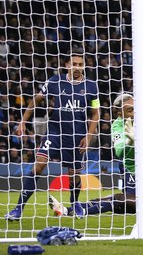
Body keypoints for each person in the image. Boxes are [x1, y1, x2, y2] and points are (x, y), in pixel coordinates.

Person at [5, 51, 100, 221]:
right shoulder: (55, 81)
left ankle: (75, 203)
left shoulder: (92, 86)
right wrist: (22, 122)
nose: (77, 67)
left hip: (76, 136)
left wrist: (89, 135)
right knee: (39, 166)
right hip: (55, 132)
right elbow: (36, 100)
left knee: (73, 174)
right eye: (74, 64)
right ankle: (18, 209)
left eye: (80, 64)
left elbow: (95, 113)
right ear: (67, 65)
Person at [48, 169, 136, 217]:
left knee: (116, 199)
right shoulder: (126, 166)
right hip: (130, 200)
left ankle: (83, 211)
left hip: (142, 204)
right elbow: (126, 190)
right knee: (101, 200)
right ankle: (65, 210)